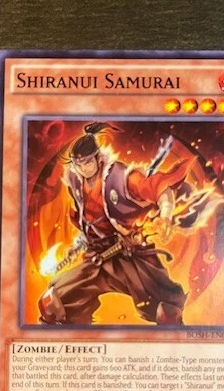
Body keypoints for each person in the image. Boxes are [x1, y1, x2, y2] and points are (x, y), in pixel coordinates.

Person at [38, 124, 196, 325]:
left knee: (167, 311)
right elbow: (87, 223)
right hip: (97, 258)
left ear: (98, 157)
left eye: (87, 162)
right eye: (78, 164)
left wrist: (165, 215)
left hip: (130, 257)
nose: (83, 169)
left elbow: (159, 189)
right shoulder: (76, 184)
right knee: (53, 302)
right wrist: (78, 245)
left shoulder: (120, 177)